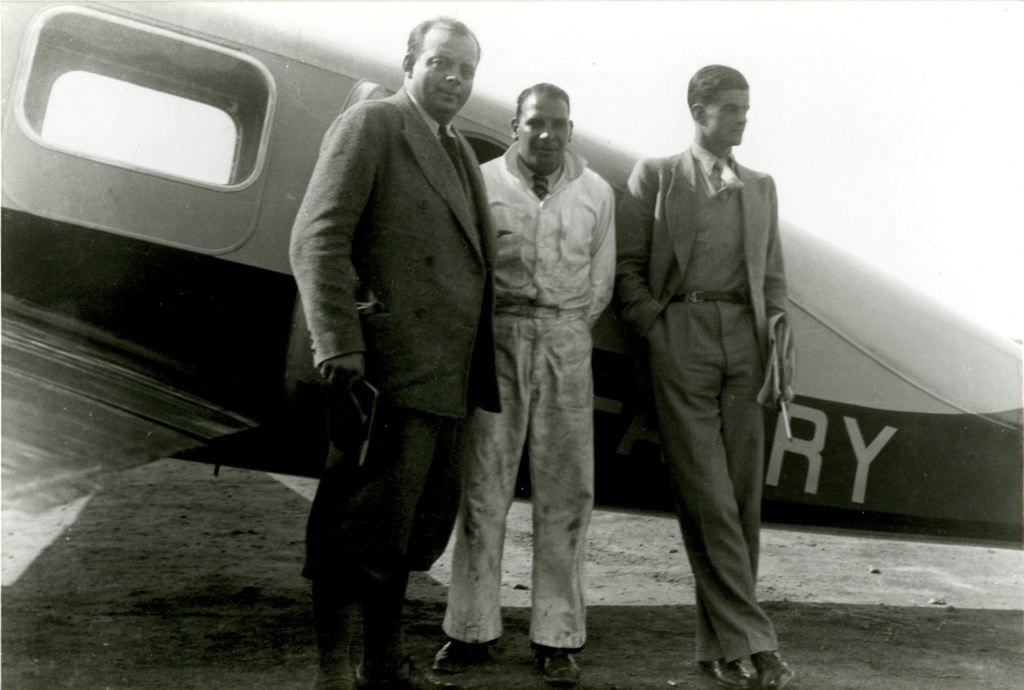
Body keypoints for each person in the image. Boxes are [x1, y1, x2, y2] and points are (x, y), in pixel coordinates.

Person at [289, 17, 499, 690]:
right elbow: (317, 238)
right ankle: (331, 675)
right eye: (440, 62)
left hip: (445, 381)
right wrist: (340, 348)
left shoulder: (460, 151)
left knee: (406, 537)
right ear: (410, 62)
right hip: (383, 376)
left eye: (465, 69)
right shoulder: (374, 125)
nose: (454, 79)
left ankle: (381, 666)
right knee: (354, 531)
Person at [614, 65, 795, 690]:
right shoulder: (657, 176)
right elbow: (628, 269)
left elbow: (772, 279)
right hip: (682, 338)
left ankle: (718, 650)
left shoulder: (762, 186)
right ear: (699, 109)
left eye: (747, 106)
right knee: (708, 498)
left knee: (742, 501)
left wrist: (775, 341)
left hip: (746, 346)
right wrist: (659, 330)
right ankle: (759, 644)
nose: (744, 117)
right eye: (732, 108)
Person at [432, 83, 615, 687]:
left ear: (571, 128)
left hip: (566, 340)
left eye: (559, 124)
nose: (547, 134)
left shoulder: (596, 193)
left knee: (566, 495)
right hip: (500, 336)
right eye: (535, 122)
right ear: (515, 125)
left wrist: (561, 329)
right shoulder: (484, 184)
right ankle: (469, 630)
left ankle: (557, 638)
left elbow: (600, 283)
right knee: (484, 486)